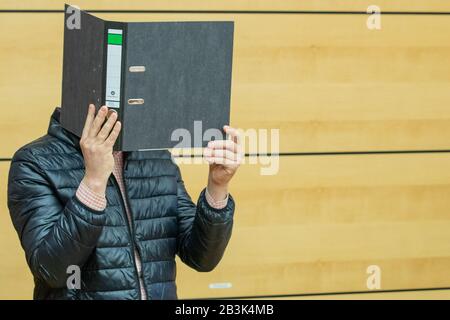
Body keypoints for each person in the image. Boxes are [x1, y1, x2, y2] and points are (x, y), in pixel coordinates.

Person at [7, 104, 242, 300]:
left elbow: (202, 257)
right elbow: (53, 271)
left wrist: (218, 186)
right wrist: (93, 182)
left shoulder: (155, 155)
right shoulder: (34, 162)